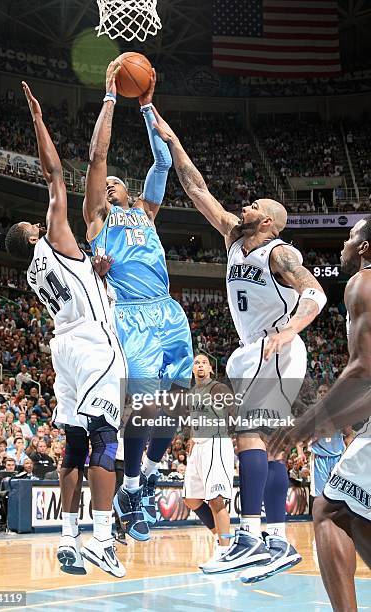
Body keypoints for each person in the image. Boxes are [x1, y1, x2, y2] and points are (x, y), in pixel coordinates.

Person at [153, 109, 327, 581]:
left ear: (268, 220)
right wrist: (168, 134)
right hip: (255, 349)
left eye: (253, 205)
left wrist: (288, 331)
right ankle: (276, 543)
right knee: (267, 447)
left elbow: (316, 292)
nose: (244, 206)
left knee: (249, 436)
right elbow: (197, 189)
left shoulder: (280, 252)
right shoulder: (235, 237)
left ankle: (249, 537)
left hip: (275, 347)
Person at [4, 79, 126, 578]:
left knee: (75, 444)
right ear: (32, 235)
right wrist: (36, 120)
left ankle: (69, 537)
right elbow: (55, 173)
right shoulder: (52, 237)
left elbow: (80, 278)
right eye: (34, 225)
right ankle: (101, 538)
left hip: (63, 350)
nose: (40, 221)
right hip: (95, 346)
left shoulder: (33, 272)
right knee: (105, 438)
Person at [84, 63, 193, 541]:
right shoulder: (97, 220)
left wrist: (147, 107)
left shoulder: (146, 211)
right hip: (131, 315)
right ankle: (131, 486)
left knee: (180, 400)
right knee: (145, 405)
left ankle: (147, 471)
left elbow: (164, 163)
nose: (110, 186)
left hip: (168, 310)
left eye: (116, 183)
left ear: (130, 190)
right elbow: (97, 157)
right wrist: (111, 98)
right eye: (106, 184)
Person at [269, 218, 371, 611]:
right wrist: (325, 421)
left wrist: (304, 425)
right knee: (353, 515)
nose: (344, 245)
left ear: (364, 247)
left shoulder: (362, 283)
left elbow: (363, 371)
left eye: (350, 237)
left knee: (329, 511)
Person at [183, 354, 234, 573]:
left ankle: (225, 552)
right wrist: (193, 437)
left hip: (216, 443)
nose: (200, 365)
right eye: (196, 362)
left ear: (210, 369)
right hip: (199, 446)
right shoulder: (192, 393)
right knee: (191, 499)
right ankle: (222, 538)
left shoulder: (218, 388)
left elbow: (234, 411)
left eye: (204, 362)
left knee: (216, 500)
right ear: (192, 370)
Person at [309, 384, 346, 498]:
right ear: (316, 395)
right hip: (320, 457)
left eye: (325, 391)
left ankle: (338, 516)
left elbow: (348, 433)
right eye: (320, 391)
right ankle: (318, 516)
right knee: (319, 494)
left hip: (337, 456)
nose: (322, 394)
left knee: (339, 492)